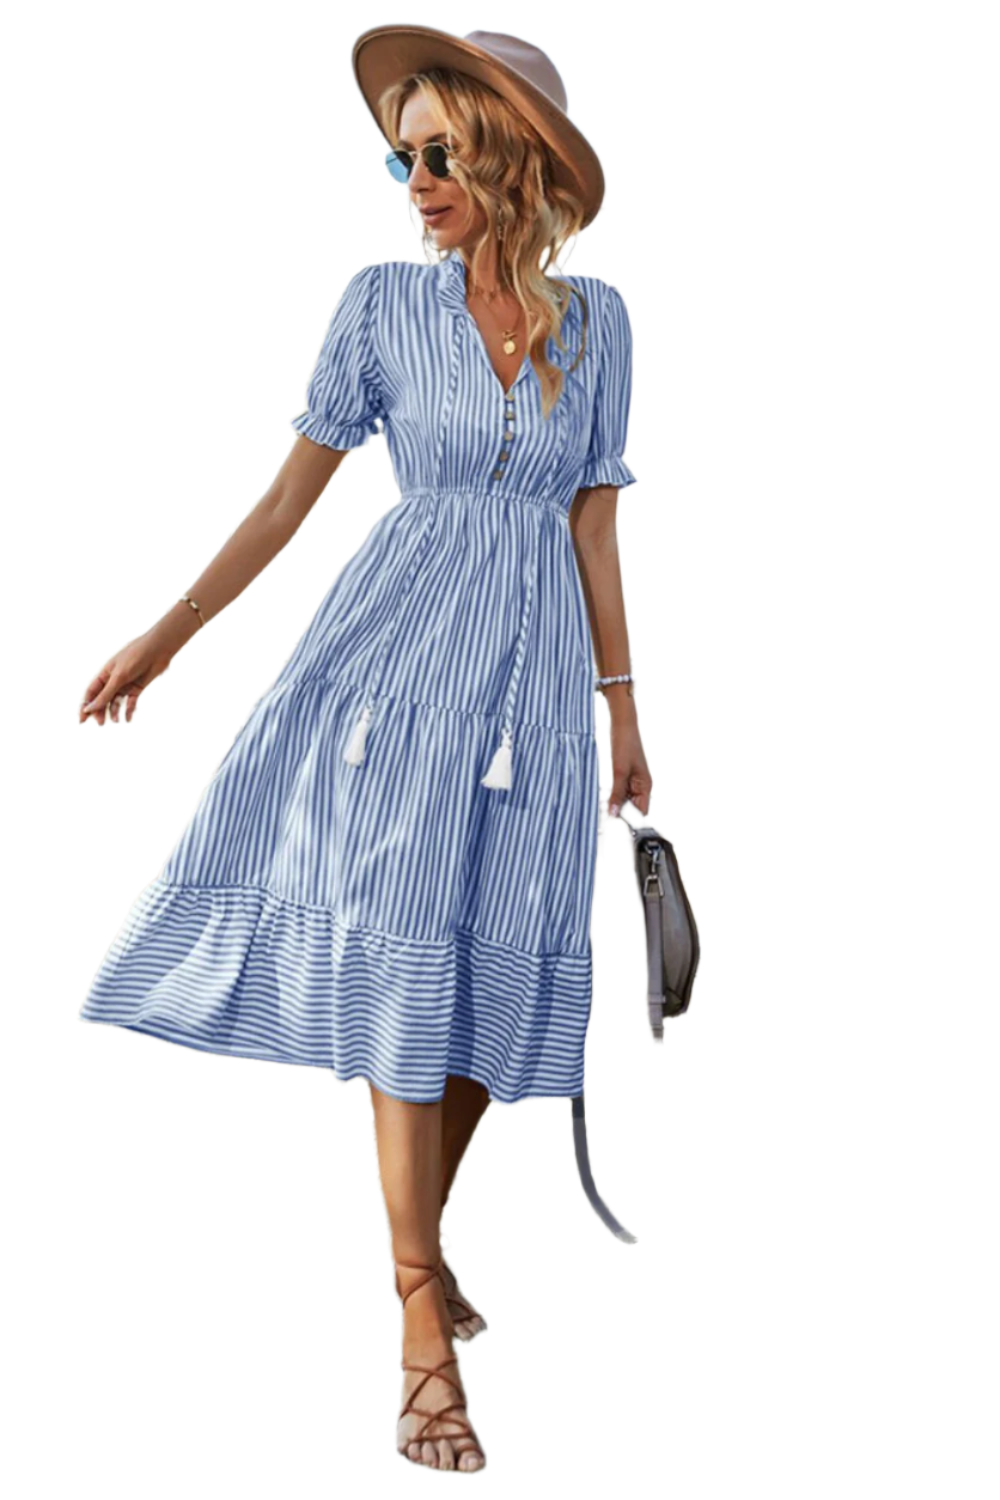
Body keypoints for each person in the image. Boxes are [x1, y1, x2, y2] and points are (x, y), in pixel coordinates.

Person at [78, 26, 652, 1473]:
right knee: (406, 958)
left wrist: (627, 710)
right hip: (395, 673)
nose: (416, 182)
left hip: (535, 695)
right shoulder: (382, 307)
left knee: (499, 959)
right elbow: (288, 502)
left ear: (512, 155)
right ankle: (416, 1323)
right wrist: (166, 635)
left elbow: (594, 523)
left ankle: (423, 1253)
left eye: (441, 152)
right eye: (401, 158)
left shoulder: (603, 324)